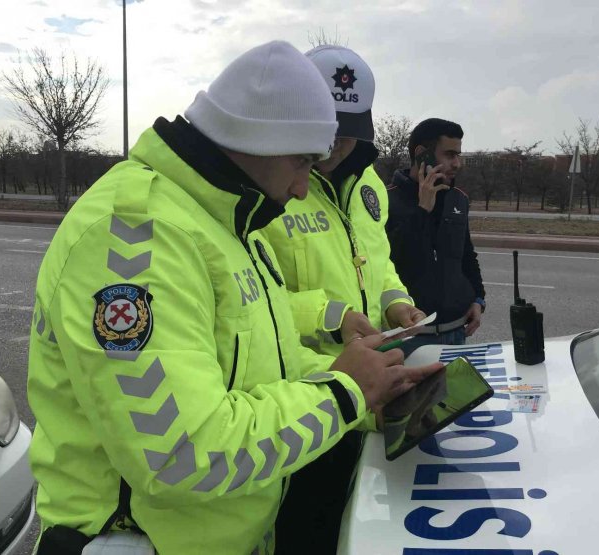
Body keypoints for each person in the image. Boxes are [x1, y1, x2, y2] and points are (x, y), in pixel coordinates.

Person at [27, 41, 440, 555]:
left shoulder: (228, 223)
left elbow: (267, 367)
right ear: (259, 138)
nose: (301, 189)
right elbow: (182, 454)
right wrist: (342, 393)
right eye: (302, 163)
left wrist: (373, 392)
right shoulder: (134, 240)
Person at [260, 45, 426, 554]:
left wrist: (397, 301)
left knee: (355, 523)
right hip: (300, 391)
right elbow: (248, 302)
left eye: (347, 131)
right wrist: (330, 316)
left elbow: (378, 262)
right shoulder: (268, 186)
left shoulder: (366, 183)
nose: (333, 146)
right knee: (306, 526)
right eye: (324, 130)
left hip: (370, 381)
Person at [386, 118, 486, 346]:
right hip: (407, 336)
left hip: (456, 331)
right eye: (450, 155)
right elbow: (393, 261)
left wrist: (478, 299)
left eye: (458, 155)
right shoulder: (385, 200)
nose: (457, 163)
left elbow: (466, 256)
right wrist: (422, 210)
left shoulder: (457, 198)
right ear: (422, 154)